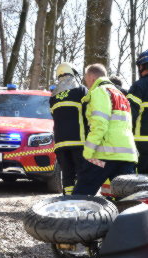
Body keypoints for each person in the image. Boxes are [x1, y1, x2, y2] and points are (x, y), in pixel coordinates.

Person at [73, 64, 138, 195]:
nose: (86, 84)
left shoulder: (100, 92)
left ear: (91, 77)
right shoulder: (120, 95)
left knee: (81, 195)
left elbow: (100, 125)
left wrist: (87, 153)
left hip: (103, 156)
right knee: (127, 199)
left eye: (86, 80)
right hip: (126, 155)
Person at [50, 62, 88, 195]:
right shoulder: (81, 90)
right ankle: (81, 201)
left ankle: (67, 201)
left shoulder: (53, 96)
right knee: (81, 174)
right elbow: (88, 114)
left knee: (67, 176)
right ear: (72, 73)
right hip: (78, 142)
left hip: (60, 143)